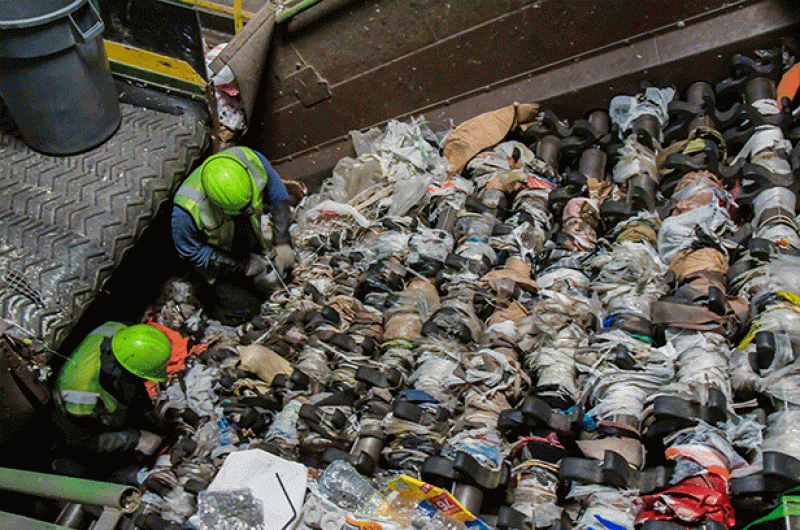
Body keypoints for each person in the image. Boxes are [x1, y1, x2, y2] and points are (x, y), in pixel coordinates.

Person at [172, 146, 294, 325]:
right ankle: (207, 300)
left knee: (284, 274)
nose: (249, 210)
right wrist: (242, 266)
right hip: (215, 257)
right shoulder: (185, 212)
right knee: (246, 311)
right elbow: (191, 252)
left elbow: (279, 196)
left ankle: (255, 262)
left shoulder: (250, 160)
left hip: (241, 229)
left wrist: (283, 242)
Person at [51, 322, 171, 484]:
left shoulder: (120, 334)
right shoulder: (79, 393)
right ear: (118, 371)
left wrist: (149, 414)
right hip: (75, 434)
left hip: (111, 392)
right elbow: (80, 443)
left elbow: (134, 382)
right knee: (89, 472)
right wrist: (135, 439)